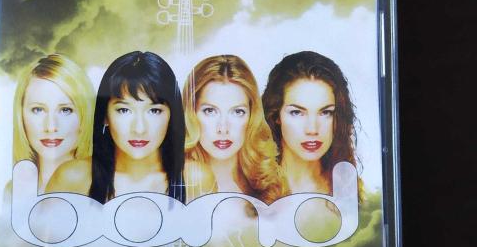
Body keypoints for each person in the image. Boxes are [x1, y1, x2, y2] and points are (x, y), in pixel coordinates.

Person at [183, 55, 282, 204]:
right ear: (191, 114)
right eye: (210, 111)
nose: (223, 128)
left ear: (251, 116)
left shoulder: (263, 178)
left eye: (237, 112)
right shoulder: (190, 178)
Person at [89, 51, 185, 203]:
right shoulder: (75, 178)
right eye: (124, 110)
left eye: (154, 111)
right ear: (105, 115)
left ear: (172, 115)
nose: (139, 129)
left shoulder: (194, 179)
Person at [261, 51, 360, 196]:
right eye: (297, 112)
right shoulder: (250, 190)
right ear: (276, 115)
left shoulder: (349, 191)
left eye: (325, 112)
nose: (312, 129)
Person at [12, 53, 95, 194]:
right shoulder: (13, 190)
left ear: (85, 114)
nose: (51, 127)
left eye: (65, 110)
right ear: (21, 116)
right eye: (38, 110)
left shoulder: (101, 187)